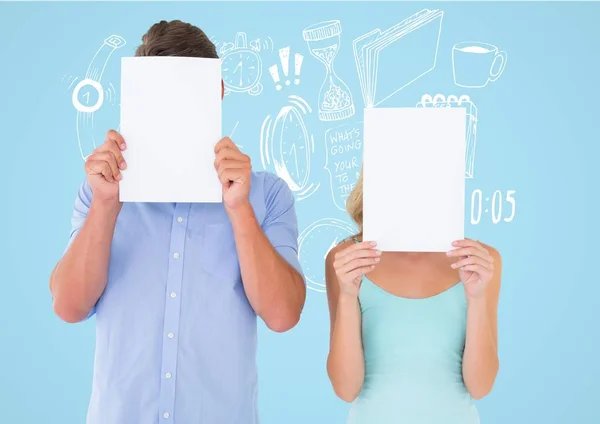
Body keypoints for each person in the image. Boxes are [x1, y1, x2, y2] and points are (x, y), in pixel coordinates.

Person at [49, 20, 306, 424]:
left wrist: (239, 209)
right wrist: (105, 206)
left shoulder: (266, 195)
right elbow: (67, 306)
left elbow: (283, 316)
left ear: (218, 93)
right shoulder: (101, 191)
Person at [325, 169, 501, 424]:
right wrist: (347, 295)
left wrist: (476, 298)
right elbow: (345, 388)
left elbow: (481, 386)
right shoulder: (347, 260)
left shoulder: (479, 261)